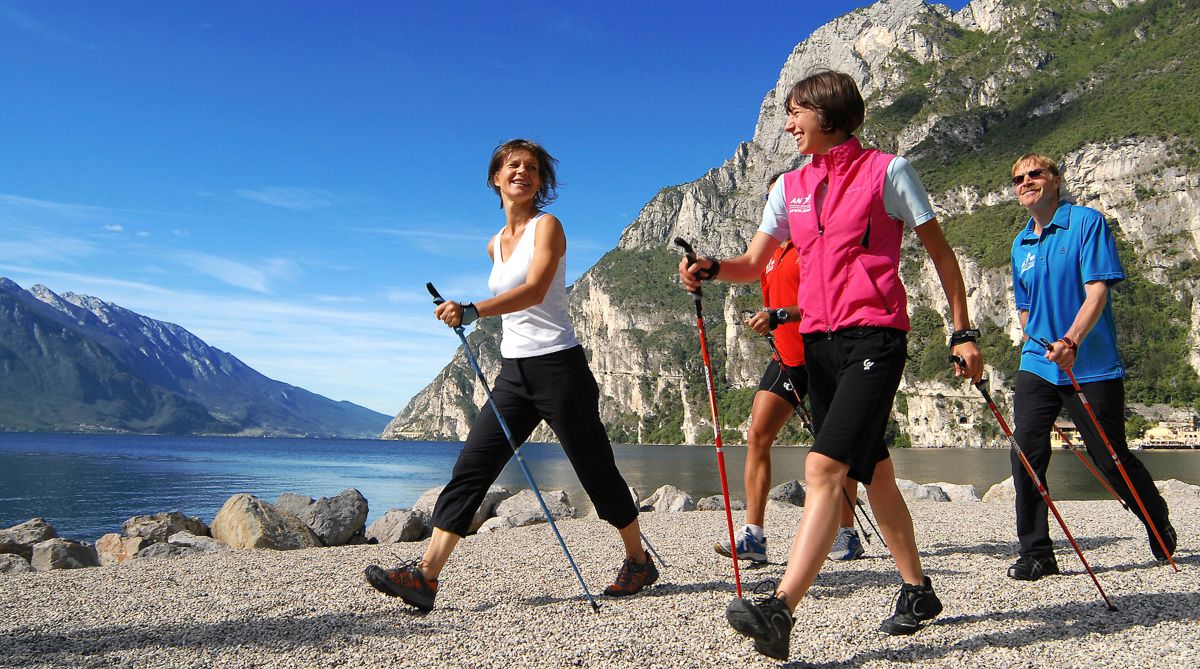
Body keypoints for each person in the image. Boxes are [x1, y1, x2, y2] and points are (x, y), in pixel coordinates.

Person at [679, 70, 982, 661]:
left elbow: (942, 257)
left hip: (875, 338)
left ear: (829, 113)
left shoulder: (889, 172)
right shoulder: (789, 187)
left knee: (823, 468)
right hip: (817, 343)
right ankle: (918, 590)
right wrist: (712, 268)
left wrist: (962, 331)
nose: (787, 125)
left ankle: (781, 609)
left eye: (796, 113)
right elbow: (753, 262)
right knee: (875, 472)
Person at [365, 139, 656, 610]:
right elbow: (513, 300)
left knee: (595, 469)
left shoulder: (548, 226)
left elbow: (536, 289)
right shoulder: (494, 243)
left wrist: (473, 309)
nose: (522, 172)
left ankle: (638, 560)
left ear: (541, 182)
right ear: (496, 178)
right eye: (513, 165)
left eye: (532, 168)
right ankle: (425, 577)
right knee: (472, 466)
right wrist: (465, 312)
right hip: (514, 373)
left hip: (560, 367)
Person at [1006, 153, 1176, 580]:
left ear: (1056, 180)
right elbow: (1024, 307)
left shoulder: (1086, 223)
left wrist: (1071, 341)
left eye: (1035, 174)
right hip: (1038, 363)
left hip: (1090, 363)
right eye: (1018, 179)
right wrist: (1036, 337)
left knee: (1110, 458)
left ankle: (1155, 517)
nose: (1026, 182)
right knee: (1025, 450)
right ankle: (1037, 552)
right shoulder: (1020, 244)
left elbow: (1097, 290)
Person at [714, 173, 866, 565]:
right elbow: (762, 288)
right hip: (785, 359)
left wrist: (780, 314)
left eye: (782, 198)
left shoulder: (814, 243)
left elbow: (828, 301)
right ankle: (753, 536)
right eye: (770, 200)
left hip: (825, 357)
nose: (776, 205)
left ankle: (846, 533)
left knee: (836, 447)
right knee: (757, 435)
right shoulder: (768, 253)